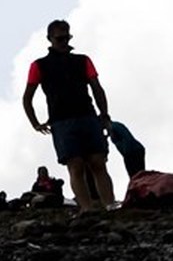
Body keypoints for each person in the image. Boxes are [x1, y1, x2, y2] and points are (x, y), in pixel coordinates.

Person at [22, 20, 117, 212]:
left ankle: (109, 205)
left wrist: (104, 114)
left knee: (98, 163)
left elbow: (97, 88)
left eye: (67, 37)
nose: (64, 42)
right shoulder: (39, 65)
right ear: (50, 39)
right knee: (76, 166)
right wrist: (35, 123)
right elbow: (27, 97)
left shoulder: (82, 60)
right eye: (60, 38)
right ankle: (87, 208)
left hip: (86, 116)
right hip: (62, 121)